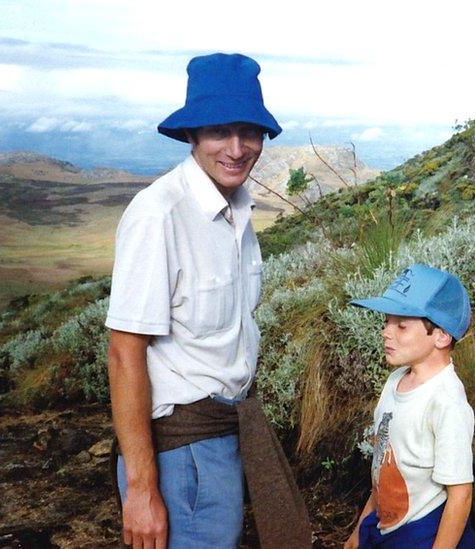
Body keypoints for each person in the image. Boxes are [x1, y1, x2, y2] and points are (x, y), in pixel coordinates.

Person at [105, 52, 310, 548]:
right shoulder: (159, 215)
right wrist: (142, 489)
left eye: (250, 132)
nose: (237, 149)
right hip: (181, 449)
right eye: (220, 131)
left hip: (226, 432)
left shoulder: (238, 209)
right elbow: (123, 352)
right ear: (192, 134)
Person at [343, 264, 475, 549]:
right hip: (386, 527)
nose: (386, 332)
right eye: (386, 322)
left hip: (427, 534)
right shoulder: (394, 382)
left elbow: (460, 495)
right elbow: (383, 465)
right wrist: (361, 526)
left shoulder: (447, 402)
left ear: (441, 336)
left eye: (401, 325)